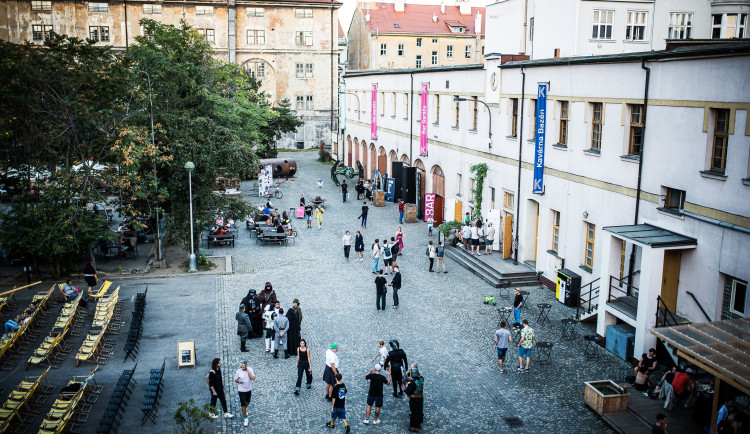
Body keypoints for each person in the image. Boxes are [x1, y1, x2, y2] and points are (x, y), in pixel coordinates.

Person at [233, 361, 255, 427]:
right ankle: (245, 417)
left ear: (246, 366)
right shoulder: (238, 371)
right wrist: (238, 381)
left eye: (243, 366)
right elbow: (235, 379)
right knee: (243, 403)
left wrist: (248, 372)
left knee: (248, 402)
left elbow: (253, 378)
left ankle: (244, 409)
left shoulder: (250, 370)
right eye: (241, 367)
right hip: (241, 390)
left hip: (248, 389)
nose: (242, 368)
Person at [404, 364, 424, 432]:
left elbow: (407, 391)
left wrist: (403, 385)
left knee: (414, 412)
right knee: (419, 411)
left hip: (414, 399)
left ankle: (414, 427)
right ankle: (419, 423)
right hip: (420, 397)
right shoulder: (421, 378)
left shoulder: (412, 383)